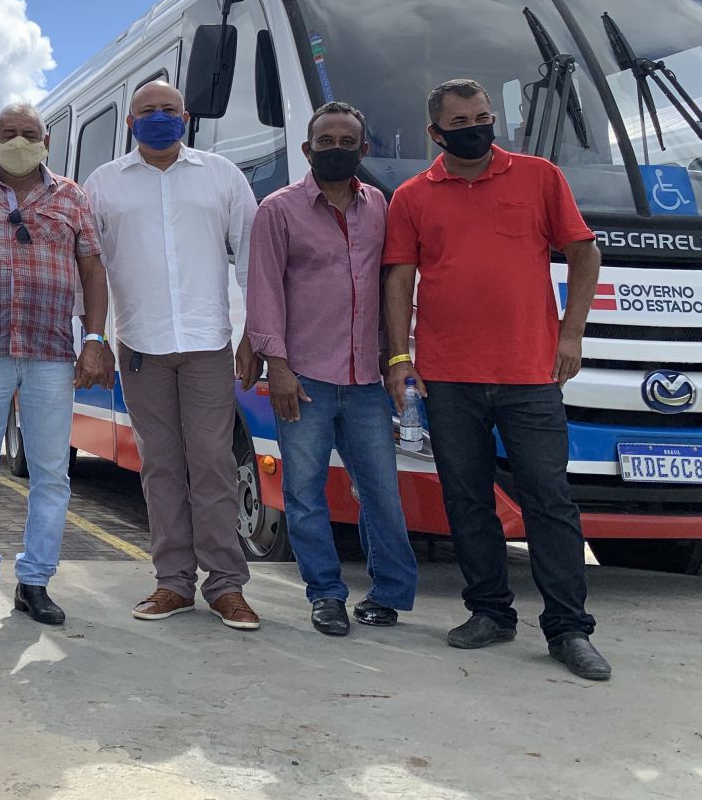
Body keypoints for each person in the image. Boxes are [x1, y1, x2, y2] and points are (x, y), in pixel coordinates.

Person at [383, 79, 610, 680]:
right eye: (460, 122)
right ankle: (489, 611)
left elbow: (584, 254)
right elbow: (400, 280)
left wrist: (571, 333)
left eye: (483, 117)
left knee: (549, 500)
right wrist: (399, 360)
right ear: (436, 133)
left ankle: (567, 629)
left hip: (530, 372)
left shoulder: (539, 177)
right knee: (467, 499)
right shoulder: (411, 196)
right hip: (449, 377)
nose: (476, 128)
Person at [83, 80, 262, 630]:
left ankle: (226, 586)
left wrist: (255, 332)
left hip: (209, 342)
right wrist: (93, 338)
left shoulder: (221, 175)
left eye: (168, 110)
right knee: (159, 467)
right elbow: (89, 267)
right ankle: (173, 584)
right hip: (140, 346)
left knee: (212, 463)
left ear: (186, 118)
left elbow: (252, 257)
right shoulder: (104, 185)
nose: (159, 117)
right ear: (131, 122)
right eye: (147, 111)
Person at [246, 101, 419, 637]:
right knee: (304, 496)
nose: (337, 150)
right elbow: (264, 290)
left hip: (368, 379)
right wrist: (276, 364)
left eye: (348, 142)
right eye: (327, 142)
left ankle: (388, 593)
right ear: (307, 149)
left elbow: (396, 287)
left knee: (382, 493)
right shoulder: (277, 210)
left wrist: (399, 359)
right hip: (305, 379)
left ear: (364, 150)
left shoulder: (383, 209)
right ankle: (325, 595)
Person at [0, 102, 111, 626]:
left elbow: (92, 268)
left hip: (50, 354)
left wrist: (93, 338)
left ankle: (36, 580)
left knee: (51, 472)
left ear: (46, 140)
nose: (18, 140)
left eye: (28, 133)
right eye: (8, 133)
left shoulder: (72, 196)